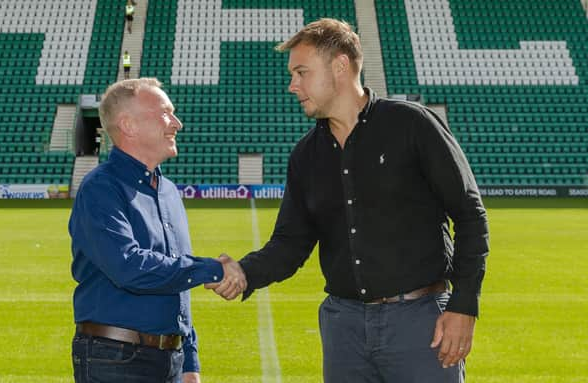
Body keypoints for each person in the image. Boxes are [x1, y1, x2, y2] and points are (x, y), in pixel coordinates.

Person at [208, 18, 489, 382]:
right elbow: (290, 244)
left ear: (340, 66)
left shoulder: (412, 125)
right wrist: (245, 272)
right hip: (344, 329)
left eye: (301, 72)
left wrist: (463, 306)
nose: (292, 85)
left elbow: (470, 216)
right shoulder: (306, 155)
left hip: (421, 323)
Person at [69, 78, 246, 383]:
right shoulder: (101, 188)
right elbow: (129, 267)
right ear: (129, 126)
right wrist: (213, 269)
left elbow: (177, 283)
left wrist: (189, 359)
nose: (176, 123)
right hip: (115, 360)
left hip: (170, 360)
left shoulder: (168, 192)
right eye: (165, 113)